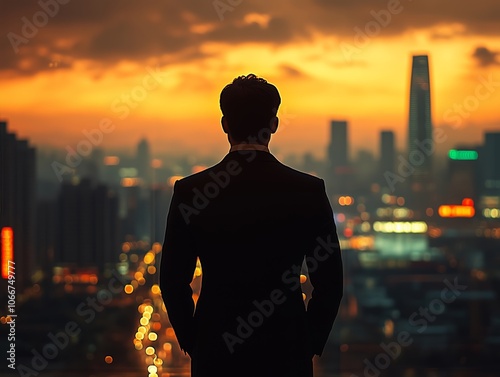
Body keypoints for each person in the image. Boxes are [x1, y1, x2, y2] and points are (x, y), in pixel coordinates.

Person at [159, 74, 343, 377]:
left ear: (225, 124)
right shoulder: (307, 190)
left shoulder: (191, 191)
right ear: (274, 124)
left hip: (215, 351)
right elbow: (330, 282)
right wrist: (307, 341)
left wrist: (194, 340)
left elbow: (172, 280)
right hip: (286, 350)